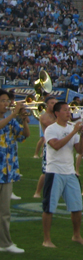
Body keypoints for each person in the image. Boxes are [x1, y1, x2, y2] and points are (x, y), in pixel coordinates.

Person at [42, 101, 83, 247]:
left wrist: (81, 136)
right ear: (57, 113)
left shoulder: (71, 128)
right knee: (49, 208)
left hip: (70, 172)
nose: (68, 113)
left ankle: (76, 235)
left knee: (77, 207)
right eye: (65, 110)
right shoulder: (51, 129)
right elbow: (56, 145)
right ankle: (47, 240)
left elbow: (80, 151)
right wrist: (74, 132)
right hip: (54, 172)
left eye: (69, 110)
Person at [0, 90, 29, 254]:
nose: (7, 103)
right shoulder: (8, 120)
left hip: (6, 172)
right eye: (3, 101)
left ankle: (5, 243)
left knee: (4, 212)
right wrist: (13, 115)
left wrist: (24, 120)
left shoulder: (10, 121)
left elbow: (25, 136)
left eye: (7, 101)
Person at [33, 96, 58, 199]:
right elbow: (52, 125)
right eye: (52, 103)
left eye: (56, 103)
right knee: (46, 171)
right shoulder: (44, 116)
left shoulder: (57, 115)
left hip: (59, 145)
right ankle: (37, 192)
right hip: (48, 146)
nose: (54, 105)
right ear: (47, 104)